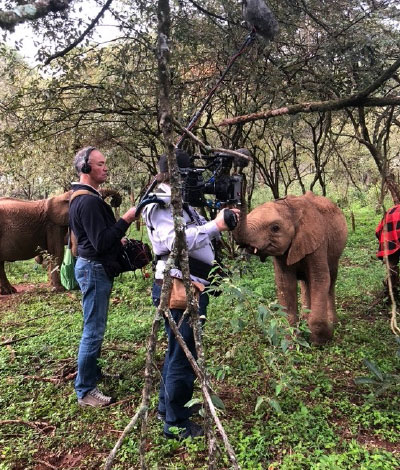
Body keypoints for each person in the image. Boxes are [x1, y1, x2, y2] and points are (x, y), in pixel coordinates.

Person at [141, 149, 240, 439]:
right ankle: (175, 423)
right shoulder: (161, 203)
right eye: (191, 175)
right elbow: (174, 242)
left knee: (177, 351)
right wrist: (215, 225)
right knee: (184, 355)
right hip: (179, 286)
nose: (196, 181)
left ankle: (168, 407)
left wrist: (223, 220)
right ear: (178, 175)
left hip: (191, 283)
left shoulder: (182, 204)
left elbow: (200, 235)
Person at [69, 146, 137, 407]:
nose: (105, 167)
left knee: (95, 326)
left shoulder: (84, 196)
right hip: (94, 269)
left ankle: (93, 374)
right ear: (85, 168)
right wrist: (126, 219)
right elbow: (100, 242)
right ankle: (85, 391)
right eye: (100, 163)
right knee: (93, 331)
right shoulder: (87, 201)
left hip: (93, 268)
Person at [376, 205, 400, 298]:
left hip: (390, 243)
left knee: (391, 268)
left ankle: (391, 294)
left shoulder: (391, 211)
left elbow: (378, 230)